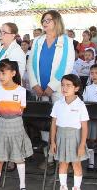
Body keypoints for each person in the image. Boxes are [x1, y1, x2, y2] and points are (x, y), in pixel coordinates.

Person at [27, 10, 74, 168]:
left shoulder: (66, 41)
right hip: (40, 88)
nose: (45, 23)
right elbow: (31, 64)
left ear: (56, 22)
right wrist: (35, 84)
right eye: (43, 20)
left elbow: (65, 66)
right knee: (44, 123)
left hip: (59, 90)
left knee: (59, 122)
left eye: (48, 20)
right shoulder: (38, 41)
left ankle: (61, 157)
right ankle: (48, 156)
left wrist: (52, 86)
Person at [0, 59, 33, 190]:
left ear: (13, 73)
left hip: (16, 126)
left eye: (3, 73)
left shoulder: (21, 91)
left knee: (19, 156)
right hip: (2, 126)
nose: (0, 76)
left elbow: (21, 110)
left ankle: (22, 185)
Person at [49, 74, 89, 190]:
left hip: (75, 137)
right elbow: (53, 124)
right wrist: (53, 142)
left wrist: (82, 145)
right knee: (63, 162)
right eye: (62, 85)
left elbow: (85, 127)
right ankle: (63, 186)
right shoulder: (58, 104)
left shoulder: (81, 105)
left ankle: (76, 187)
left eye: (68, 85)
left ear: (76, 88)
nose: (64, 88)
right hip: (61, 136)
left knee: (76, 163)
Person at [0, 23, 26, 90]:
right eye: (0, 32)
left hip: (9, 92)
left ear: (13, 35)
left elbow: (15, 77)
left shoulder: (17, 51)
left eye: (4, 32)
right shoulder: (1, 49)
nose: (1, 35)